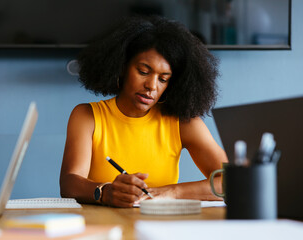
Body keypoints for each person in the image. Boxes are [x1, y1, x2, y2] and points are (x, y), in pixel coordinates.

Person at [60, 15, 228, 208]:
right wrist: (106, 192)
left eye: (163, 79)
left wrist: (171, 192)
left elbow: (231, 181)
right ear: (122, 67)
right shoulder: (87, 116)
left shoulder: (183, 123)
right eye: (143, 71)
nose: (152, 86)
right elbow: (69, 183)